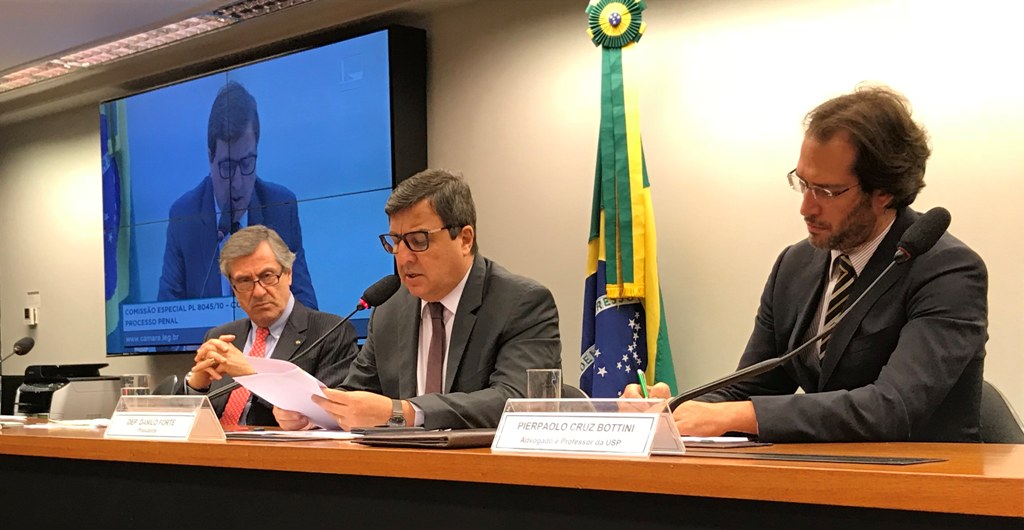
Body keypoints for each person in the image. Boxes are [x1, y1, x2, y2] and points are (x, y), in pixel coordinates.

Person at [626, 86, 988, 442]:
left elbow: (893, 408)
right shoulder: (795, 264)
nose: (806, 208)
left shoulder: (948, 271)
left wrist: (739, 415)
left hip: (925, 474)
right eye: (803, 184)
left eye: (827, 191)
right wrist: (673, 411)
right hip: (819, 472)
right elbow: (751, 390)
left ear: (884, 192)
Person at [274, 169, 562, 431]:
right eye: (395, 241)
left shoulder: (521, 303)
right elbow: (359, 392)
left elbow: (520, 402)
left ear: (465, 239)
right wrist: (315, 412)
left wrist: (406, 413)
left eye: (418, 240)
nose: (403, 257)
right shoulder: (389, 309)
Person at [158, 80, 317, 309]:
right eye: (228, 166)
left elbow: (306, 306)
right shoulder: (184, 216)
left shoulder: (281, 207)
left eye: (247, 163)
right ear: (210, 158)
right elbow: (167, 312)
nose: (238, 183)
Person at [182, 225, 358, 427]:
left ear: (289, 273)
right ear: (234, 288)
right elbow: (187, 425)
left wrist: (251, 375)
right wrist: (197, 387)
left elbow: (332, 414)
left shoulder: (330, 331)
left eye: (267, 276)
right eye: (244, 281)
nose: (258, 292)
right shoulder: (220, 336)